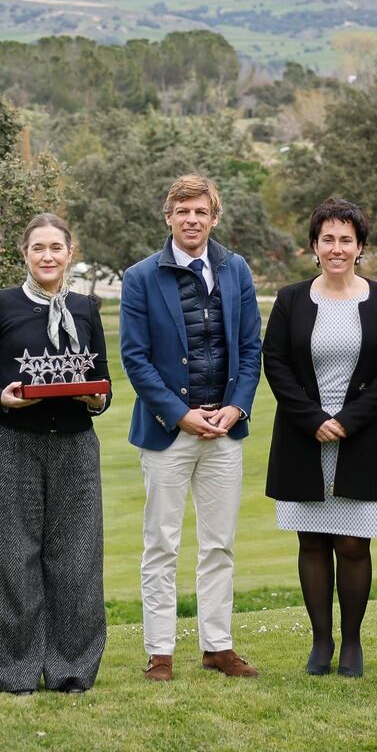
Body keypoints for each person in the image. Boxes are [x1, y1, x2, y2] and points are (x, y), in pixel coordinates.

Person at [0, 213, 112, 695]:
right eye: (38, 248)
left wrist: (98, 399)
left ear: (70, 253)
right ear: (24, 254)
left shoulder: (87, 308)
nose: (48, 256)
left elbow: (102, 380)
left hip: (75, 446)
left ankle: (72, 670)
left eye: (56, 248)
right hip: (11, 445)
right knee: (11, 558)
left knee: (77, 561)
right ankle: (13, 674)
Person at [119, 174, 264, 681]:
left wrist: (236, 408)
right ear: (169, 217)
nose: (192, 220)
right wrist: (179, 414)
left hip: (224, 428)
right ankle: (159, 651)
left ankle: (217, 646)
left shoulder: (236, 269)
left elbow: (250, 350)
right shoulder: (139, 277)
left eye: (201, 212)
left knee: (219, 543)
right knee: (161, 543)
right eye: (183, 212)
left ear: (214, 217)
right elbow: (135, 360)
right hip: (168, 431)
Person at [262, 198, 377, 678]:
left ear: (361, 246)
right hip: (303, 438)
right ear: (314, 246)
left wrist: (347, 420)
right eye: (328, 239)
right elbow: (276, 364)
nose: (337, 248)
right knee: (312, 543)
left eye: (347, 239)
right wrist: (312, 419)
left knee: (352, 544)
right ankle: (320, 643)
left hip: (361, 438)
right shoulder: (291, 300)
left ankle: (352, 643)